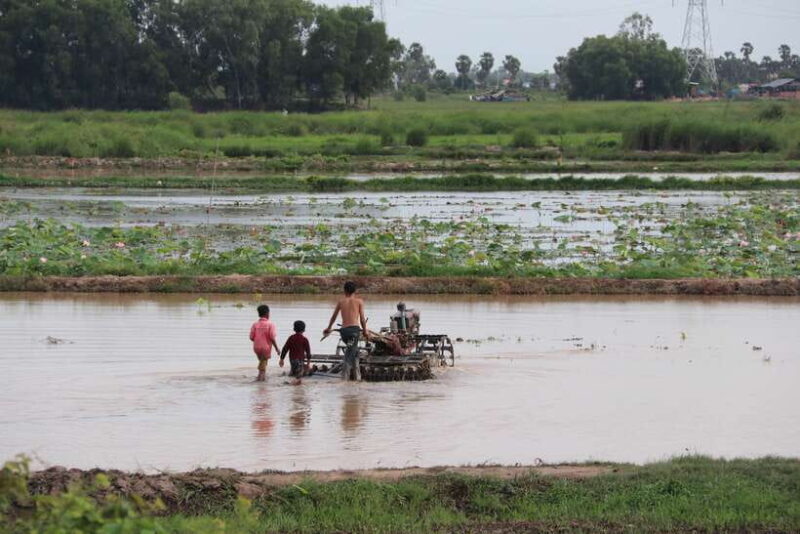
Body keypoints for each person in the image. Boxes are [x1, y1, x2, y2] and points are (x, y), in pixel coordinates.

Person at [323, 281, 367, 381]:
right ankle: (344, 380)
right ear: (355, 291)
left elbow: (333, 317)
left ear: (344, 291)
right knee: (348, 355)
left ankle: (357, 378)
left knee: (353, 352)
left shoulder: (341, 302)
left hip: (344, 332)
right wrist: (365, 331)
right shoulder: (359, 301)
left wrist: (329, 327)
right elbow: (362, 319)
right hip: (354, 332)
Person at [249, 305, 279, 382]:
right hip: (266, 348)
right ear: (267, 313)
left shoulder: (255, 324)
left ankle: (260, 376)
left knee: (262, 362)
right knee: (263, 363)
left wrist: (258, 341)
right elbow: (272, 337)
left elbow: (251, 337)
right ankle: (261, 380)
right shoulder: (270, 324)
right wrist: (277, 348)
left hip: (256, 347)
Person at [279, 320, 312, 385]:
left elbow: (285, 349)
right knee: (299, 377)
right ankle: (292, 387)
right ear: (304, 329)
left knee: (294, 374)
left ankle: (291, 386)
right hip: (299, 361)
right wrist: (308, 363)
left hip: (292, 360)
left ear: (294, 329)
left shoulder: (291, 338)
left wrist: (281, 359)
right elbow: (308, 352)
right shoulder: (304, 339)